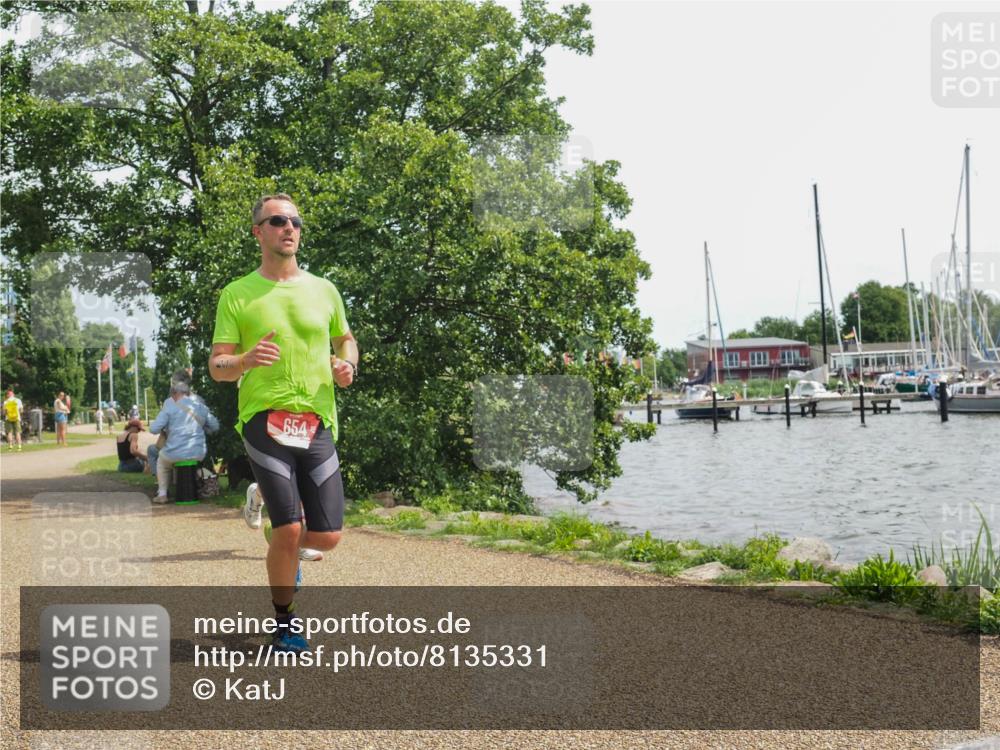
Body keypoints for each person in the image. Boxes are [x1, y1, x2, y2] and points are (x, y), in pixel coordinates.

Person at [209, 193, 357, 654]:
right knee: (291, 529)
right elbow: (218, 367)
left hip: (316, 419)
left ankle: (270, 515)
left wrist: (346, 365)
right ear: (258, 232)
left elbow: (345, 339)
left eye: (294, 221)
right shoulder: (237, 293)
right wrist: (246, 359)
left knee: (327, 538)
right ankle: (286, 623)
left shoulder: (324, 289)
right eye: (277, 220)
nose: (288, 227)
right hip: (264, 419)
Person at [147, 377, 219, 504]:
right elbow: (215, 426)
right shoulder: (200, 406)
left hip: (174, 452)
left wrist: (166, 427)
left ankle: (162, 494)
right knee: (182, 459)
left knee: (161, 462)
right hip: (198, 452)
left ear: (175, 393)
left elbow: (153, 429)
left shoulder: (169, 406)